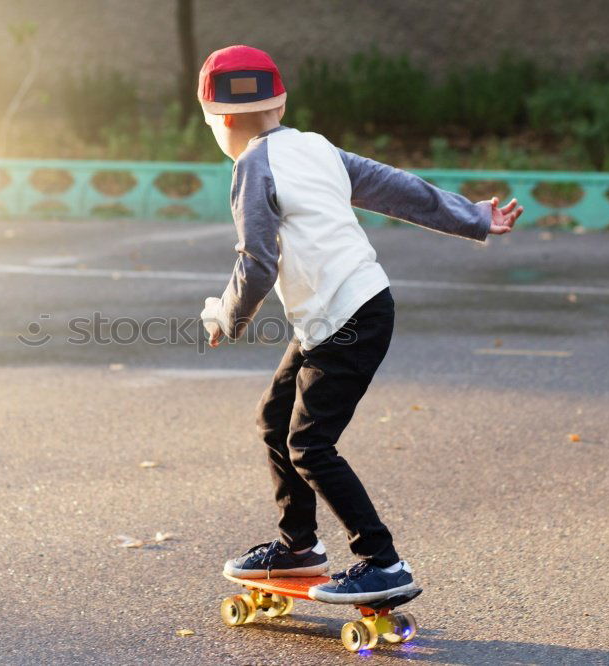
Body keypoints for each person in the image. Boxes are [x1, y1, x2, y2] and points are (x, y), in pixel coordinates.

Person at [197, 45, 523, 603]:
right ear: (280, 103)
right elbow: (395, 187)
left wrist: (227, 314)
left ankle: (383, 562)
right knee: (275, 418)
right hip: (350, 310)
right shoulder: (317, 148)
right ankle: (298, 547)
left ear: (220, 120)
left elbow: (257, 262)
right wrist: (472, 214)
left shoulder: (251, 165)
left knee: (309, 442)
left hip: (344, 317)